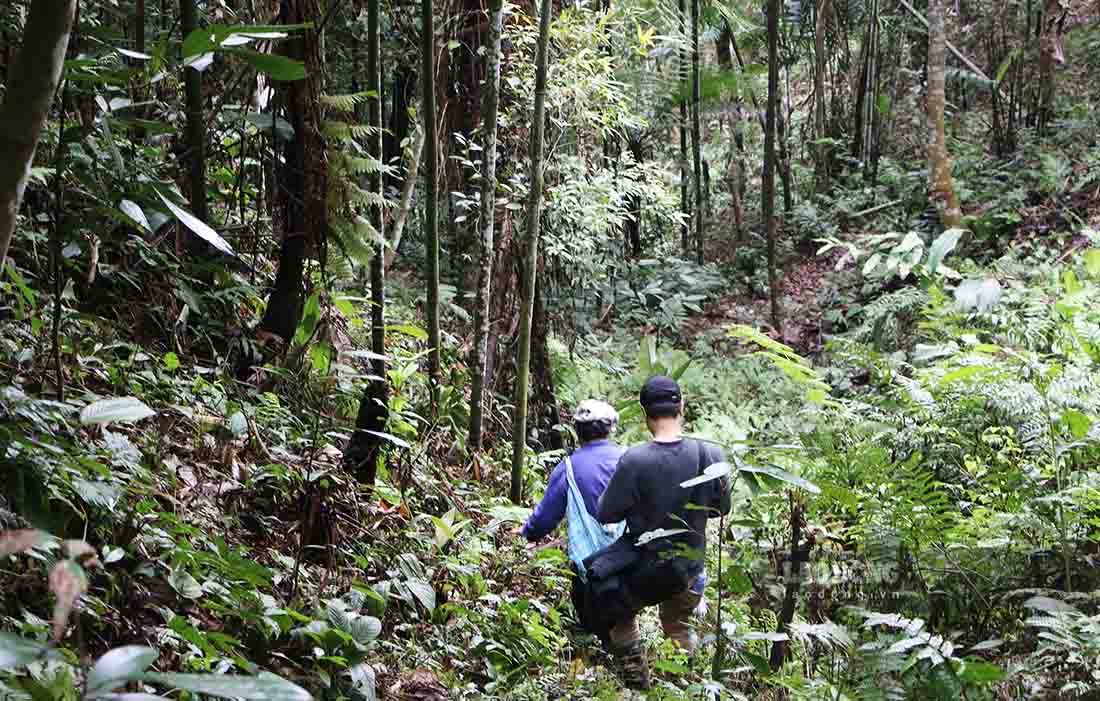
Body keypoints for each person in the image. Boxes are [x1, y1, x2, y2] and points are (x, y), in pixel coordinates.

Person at [595, 375, 730, 691]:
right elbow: (721, 508)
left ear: (645, 413)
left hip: (645, 570)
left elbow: (606, 513)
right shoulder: (710, 454)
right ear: (681, 406)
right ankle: (682, 687)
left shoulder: (634, 460)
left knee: (618, 611)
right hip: (689, 572)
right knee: (678, 627)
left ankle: (637, 684)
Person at [517, 400, 625, 633]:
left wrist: (527, 533)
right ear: (610, 429)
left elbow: (546, 516)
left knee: (592, 616)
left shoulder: (569, 467)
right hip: (627, 556)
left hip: (589, 564)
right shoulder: (628, 459)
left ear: (577, 431)